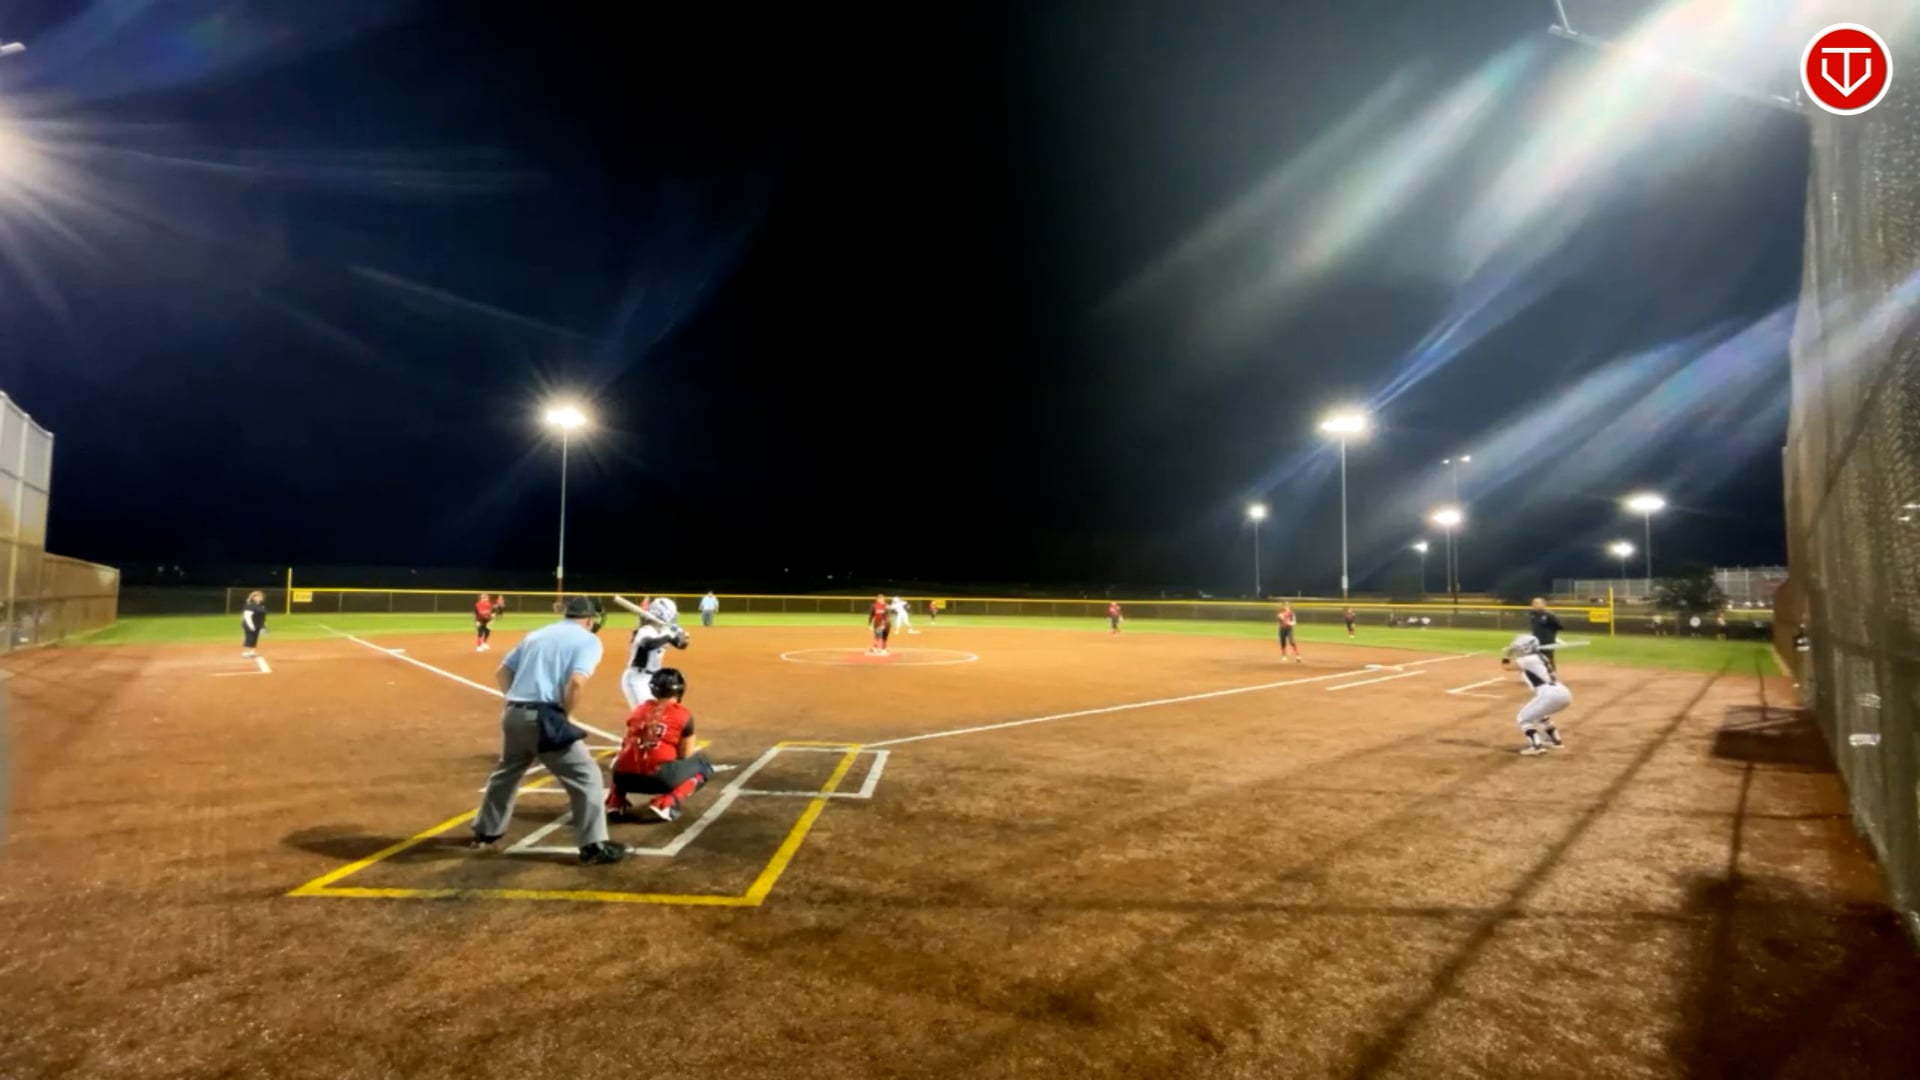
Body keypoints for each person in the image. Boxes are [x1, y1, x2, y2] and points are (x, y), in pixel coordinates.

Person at [470, 596, 625, 865]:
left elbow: (502, 672)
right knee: (586, 776)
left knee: (507, 772)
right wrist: (565, 715)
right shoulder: (588, 640)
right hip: (544, 717)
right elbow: (576, 683)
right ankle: (593, 845)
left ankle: (485, 831)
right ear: (589, 619)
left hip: (514, 714)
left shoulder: (537, 635)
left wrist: (518, 700)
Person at [606, 667, 715, 823]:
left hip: (622, 779)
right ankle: (666, 803)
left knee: (623, 758)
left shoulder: (638, 711)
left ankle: (615, 801)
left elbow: (626, 744)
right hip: (659, 779)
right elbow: (685, 754)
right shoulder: (683, 715)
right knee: (703, 766)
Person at [1500, 633, 1571, 756]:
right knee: (1540, 715)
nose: (1518, 650)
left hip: (1549, 694)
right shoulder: (1541, 657)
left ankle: (1536, 746)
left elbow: (1506, 666)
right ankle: (1554, 740)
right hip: (1562, 692)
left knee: (1523, 718)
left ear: (1527, 648)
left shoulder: (1528, 660)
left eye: (1519, 648)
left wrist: (1507, 655)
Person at [619, 597, 690, 709]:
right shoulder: (645, 630)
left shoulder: (663, 630)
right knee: (647, 713)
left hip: (653, 678)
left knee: (656, 711)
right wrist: (668, 637)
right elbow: (648, 644)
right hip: (636, 677)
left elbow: (681, 645)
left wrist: (682, 638)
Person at [1528, 598, 1564, 675]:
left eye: (1537, 603)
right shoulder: (1532, 614)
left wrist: (1551, 635)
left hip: (1547, 640)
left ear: (1543, 604)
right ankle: (1539, 674)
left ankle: (1552, 674)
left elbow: (1559, 626)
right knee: (1535, 658)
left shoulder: (1549, 615)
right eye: (1533, 603)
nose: (1534, 605)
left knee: (1548, 658)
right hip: (1536, 640)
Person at [241, 591, 268, 658]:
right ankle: (245, 652)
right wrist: (251, 625)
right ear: (254, 597)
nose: (261, 597)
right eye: (259, 596)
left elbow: (262, 616)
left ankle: (251, 652)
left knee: (255, 638)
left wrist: (264, 625)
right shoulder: (250, 605)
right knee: (249, 638)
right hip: (249, 624)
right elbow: (247, 616)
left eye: (261, 596)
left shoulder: (261, 606)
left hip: (257, 624)